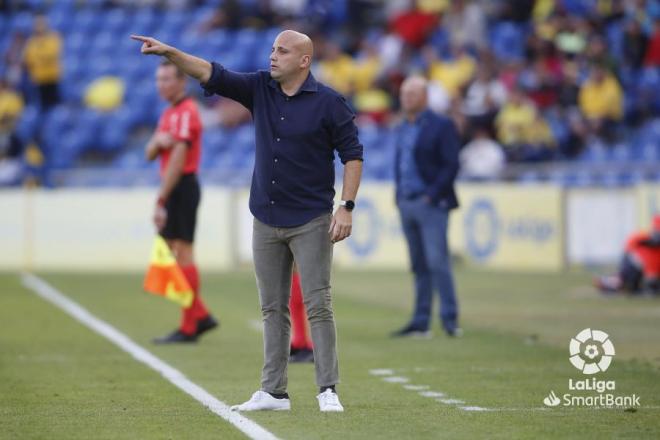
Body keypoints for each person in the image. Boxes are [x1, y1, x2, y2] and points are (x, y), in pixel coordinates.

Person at [132, 29, 363, 412]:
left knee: (318, 303)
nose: (273, 56)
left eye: (282, 51)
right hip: (266, 217)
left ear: (304, 61)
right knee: (272, 308)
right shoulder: (260, 88)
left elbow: (352, 155)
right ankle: (274, 392)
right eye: (273, 49)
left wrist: (347, 206)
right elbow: (211, 73)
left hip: (311, 218)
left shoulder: (329, 103)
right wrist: (171, 53)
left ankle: (328, 390)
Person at [145, 60, 218, 344]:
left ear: (181, 82)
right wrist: (158, 142)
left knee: (182, 253)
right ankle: (197, 316)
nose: (161, 84)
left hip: (182, 185)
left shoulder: (186, 112)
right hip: (175, 186)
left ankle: (192, 323)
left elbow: (177, 158)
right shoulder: (169, 113)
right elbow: (150, 151)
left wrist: (162, 197)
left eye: (166, 79)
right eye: (158, 79)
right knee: (173, 252)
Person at [391, 75, 461, 338]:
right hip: (407, 202)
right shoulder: (403, 126)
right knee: (418, 264)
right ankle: (421, 321)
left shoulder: (442, 125)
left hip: (430, 203)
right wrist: (399, 196)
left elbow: (451, 164)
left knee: (437, 262)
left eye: (412, 93)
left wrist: (432, 195)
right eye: (404, 93)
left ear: (425, 97)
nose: (406, 98)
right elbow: (401, 164)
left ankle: (449, 319)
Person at [596, 215, 660, 296]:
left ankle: (611, 282)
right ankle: (608, 282)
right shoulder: (644, 240)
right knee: (627, 282)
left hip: (638, 265)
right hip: (633, 264)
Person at [23, 15, 62, 110]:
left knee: (55, 105)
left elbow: (52, 55)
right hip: (39, 79)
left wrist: (41, 57)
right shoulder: (31, 42)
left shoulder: (53, 38)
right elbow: (29, 60)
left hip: (52, 77)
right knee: (42, 106)